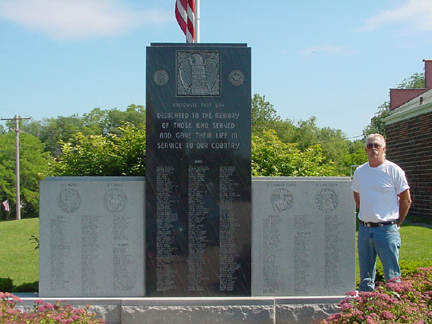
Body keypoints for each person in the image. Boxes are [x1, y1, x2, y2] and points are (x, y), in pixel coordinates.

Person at [351, 133, 411, 292]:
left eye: (376, 145)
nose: (373, 149)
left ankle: (394, 311)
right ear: (365, 149)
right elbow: (357, 197)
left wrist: (397, 223)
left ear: (383, 148)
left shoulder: (393, 170)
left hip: (387, 230)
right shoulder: (359, 171)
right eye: (369, 146)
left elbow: (406, 200)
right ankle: (364, 311)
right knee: (365, 278)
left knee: (392, 277)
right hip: (364, 230)